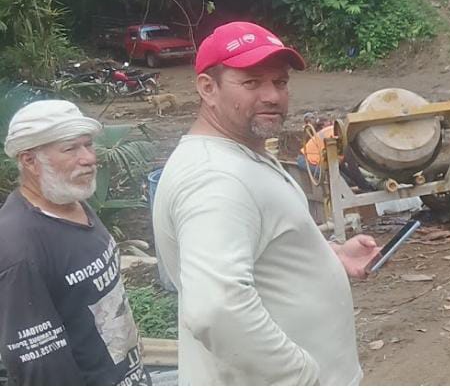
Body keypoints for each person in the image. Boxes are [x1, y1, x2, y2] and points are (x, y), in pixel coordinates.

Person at [152, 22, 381, 385]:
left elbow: (258, 246)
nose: (273, 96)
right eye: (252, 82)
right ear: (208, 88)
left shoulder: (240, 155)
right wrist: (300, 375)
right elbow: (217, 309)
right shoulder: (215, 179)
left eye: (280, 82)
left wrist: (328, 255)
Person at [0, 100, 149, 385]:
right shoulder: (19, 247)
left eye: (88, 145)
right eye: (70, 149)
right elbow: (40, 368)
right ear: (29, 161)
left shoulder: (70, 199)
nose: (89, 158)